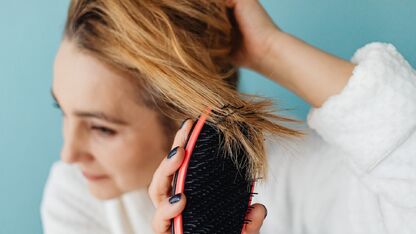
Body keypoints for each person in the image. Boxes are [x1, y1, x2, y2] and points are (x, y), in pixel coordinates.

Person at [41, 0, 416, 233]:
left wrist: (270, 50)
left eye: (102, 128)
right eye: (63, 111)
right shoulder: (75, 194)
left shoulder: (304, 174)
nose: (69, 154)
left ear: (185, 120)